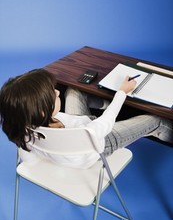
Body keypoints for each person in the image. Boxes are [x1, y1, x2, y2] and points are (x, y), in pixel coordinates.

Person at [0, 69, 172, 169]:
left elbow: (29, 161)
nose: (57, 91)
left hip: (80, 125)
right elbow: (105, 123)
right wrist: (122, 92)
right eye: (53, 95)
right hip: (98, 143)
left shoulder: (24, 127)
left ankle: (106, 103)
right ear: (43, 112)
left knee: (73, 91)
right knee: (155, 119)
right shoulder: (83, 134)